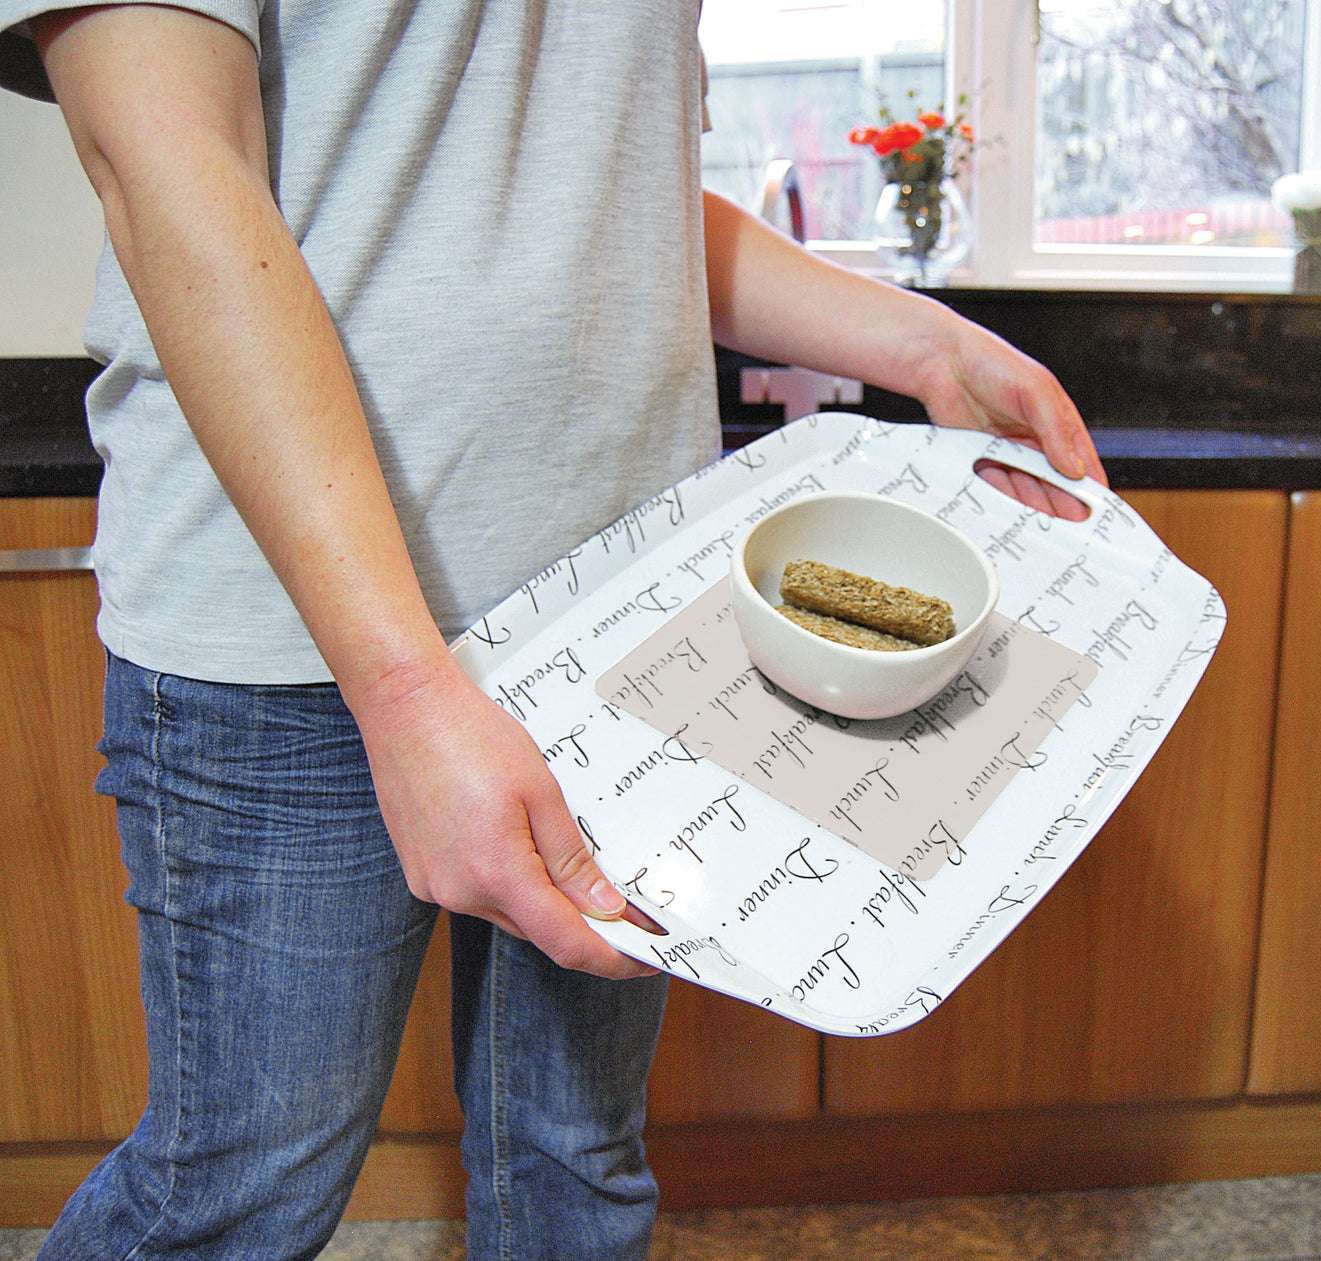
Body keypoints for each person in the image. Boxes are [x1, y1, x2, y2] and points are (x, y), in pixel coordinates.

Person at [2, 0, 1107, 1256]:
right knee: (239, 1191)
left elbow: (614, 207)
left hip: (620, 623)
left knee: (576, 1159)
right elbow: (164, 164)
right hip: (286, 647)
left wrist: (921, 340)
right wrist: (410, 694)